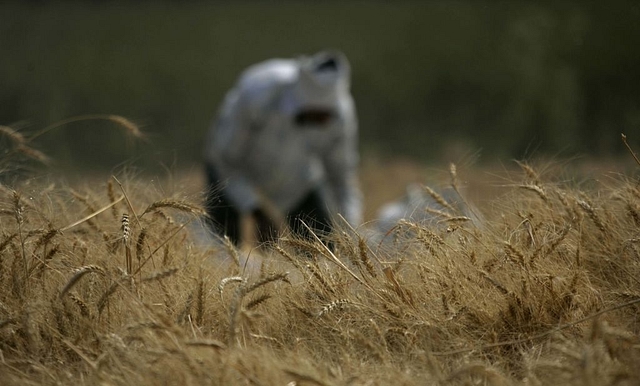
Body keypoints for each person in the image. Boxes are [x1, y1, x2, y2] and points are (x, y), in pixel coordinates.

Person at [203, 50, 362, 246]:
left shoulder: (340, 116)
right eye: (317, 115)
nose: (324, 122)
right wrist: (255, 209)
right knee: (223, 245)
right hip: (234, 172)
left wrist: (352, 239)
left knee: (323, 250)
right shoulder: (259, 92)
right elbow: (223, 160)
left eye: (327, 116)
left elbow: (342, 179)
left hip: (298, 182)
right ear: (303, 106)